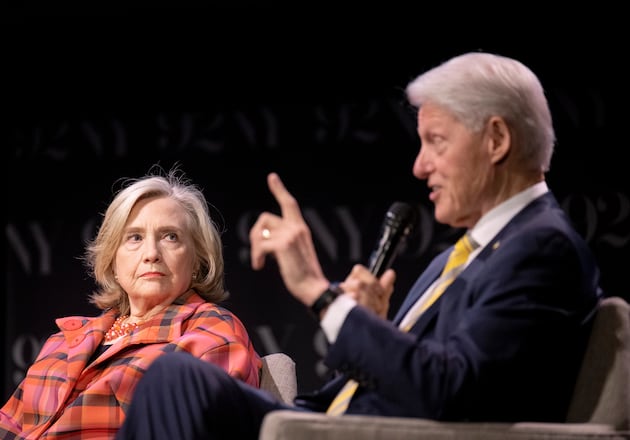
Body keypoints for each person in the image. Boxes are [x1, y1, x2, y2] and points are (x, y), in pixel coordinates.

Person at [114, 51, 604, 439]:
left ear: (496, 140)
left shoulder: (541, 249)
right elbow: (419, 375)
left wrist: (320, 293)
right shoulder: (462, 257)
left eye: (436, 141)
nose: (419, 166)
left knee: (172, 381)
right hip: (330, 418)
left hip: (363, 434)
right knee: (173, 378)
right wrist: (373, 328)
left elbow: (452, 391)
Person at [0, 165, 262, 439]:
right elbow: (9, 425)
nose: (151, 253)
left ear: (197, 261)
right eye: (134, 238)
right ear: (112, 261)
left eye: (170, 237)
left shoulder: (211, 330)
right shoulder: (64, 341)